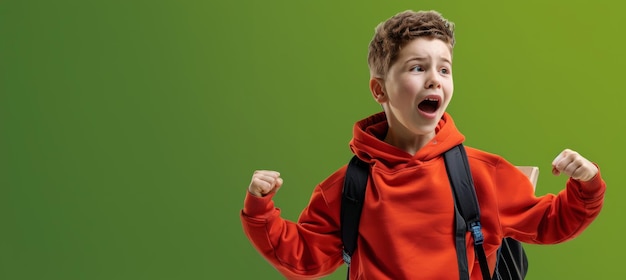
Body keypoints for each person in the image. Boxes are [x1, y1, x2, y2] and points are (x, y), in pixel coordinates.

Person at [240, 10, 606, 279]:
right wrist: (261, 212)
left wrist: (585, 186)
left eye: (444, 69)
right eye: (417, 68)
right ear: (379, 89)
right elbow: (303, 257)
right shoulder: (349, 189)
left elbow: (552, 222)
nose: (435, 79)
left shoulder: (484, 176)